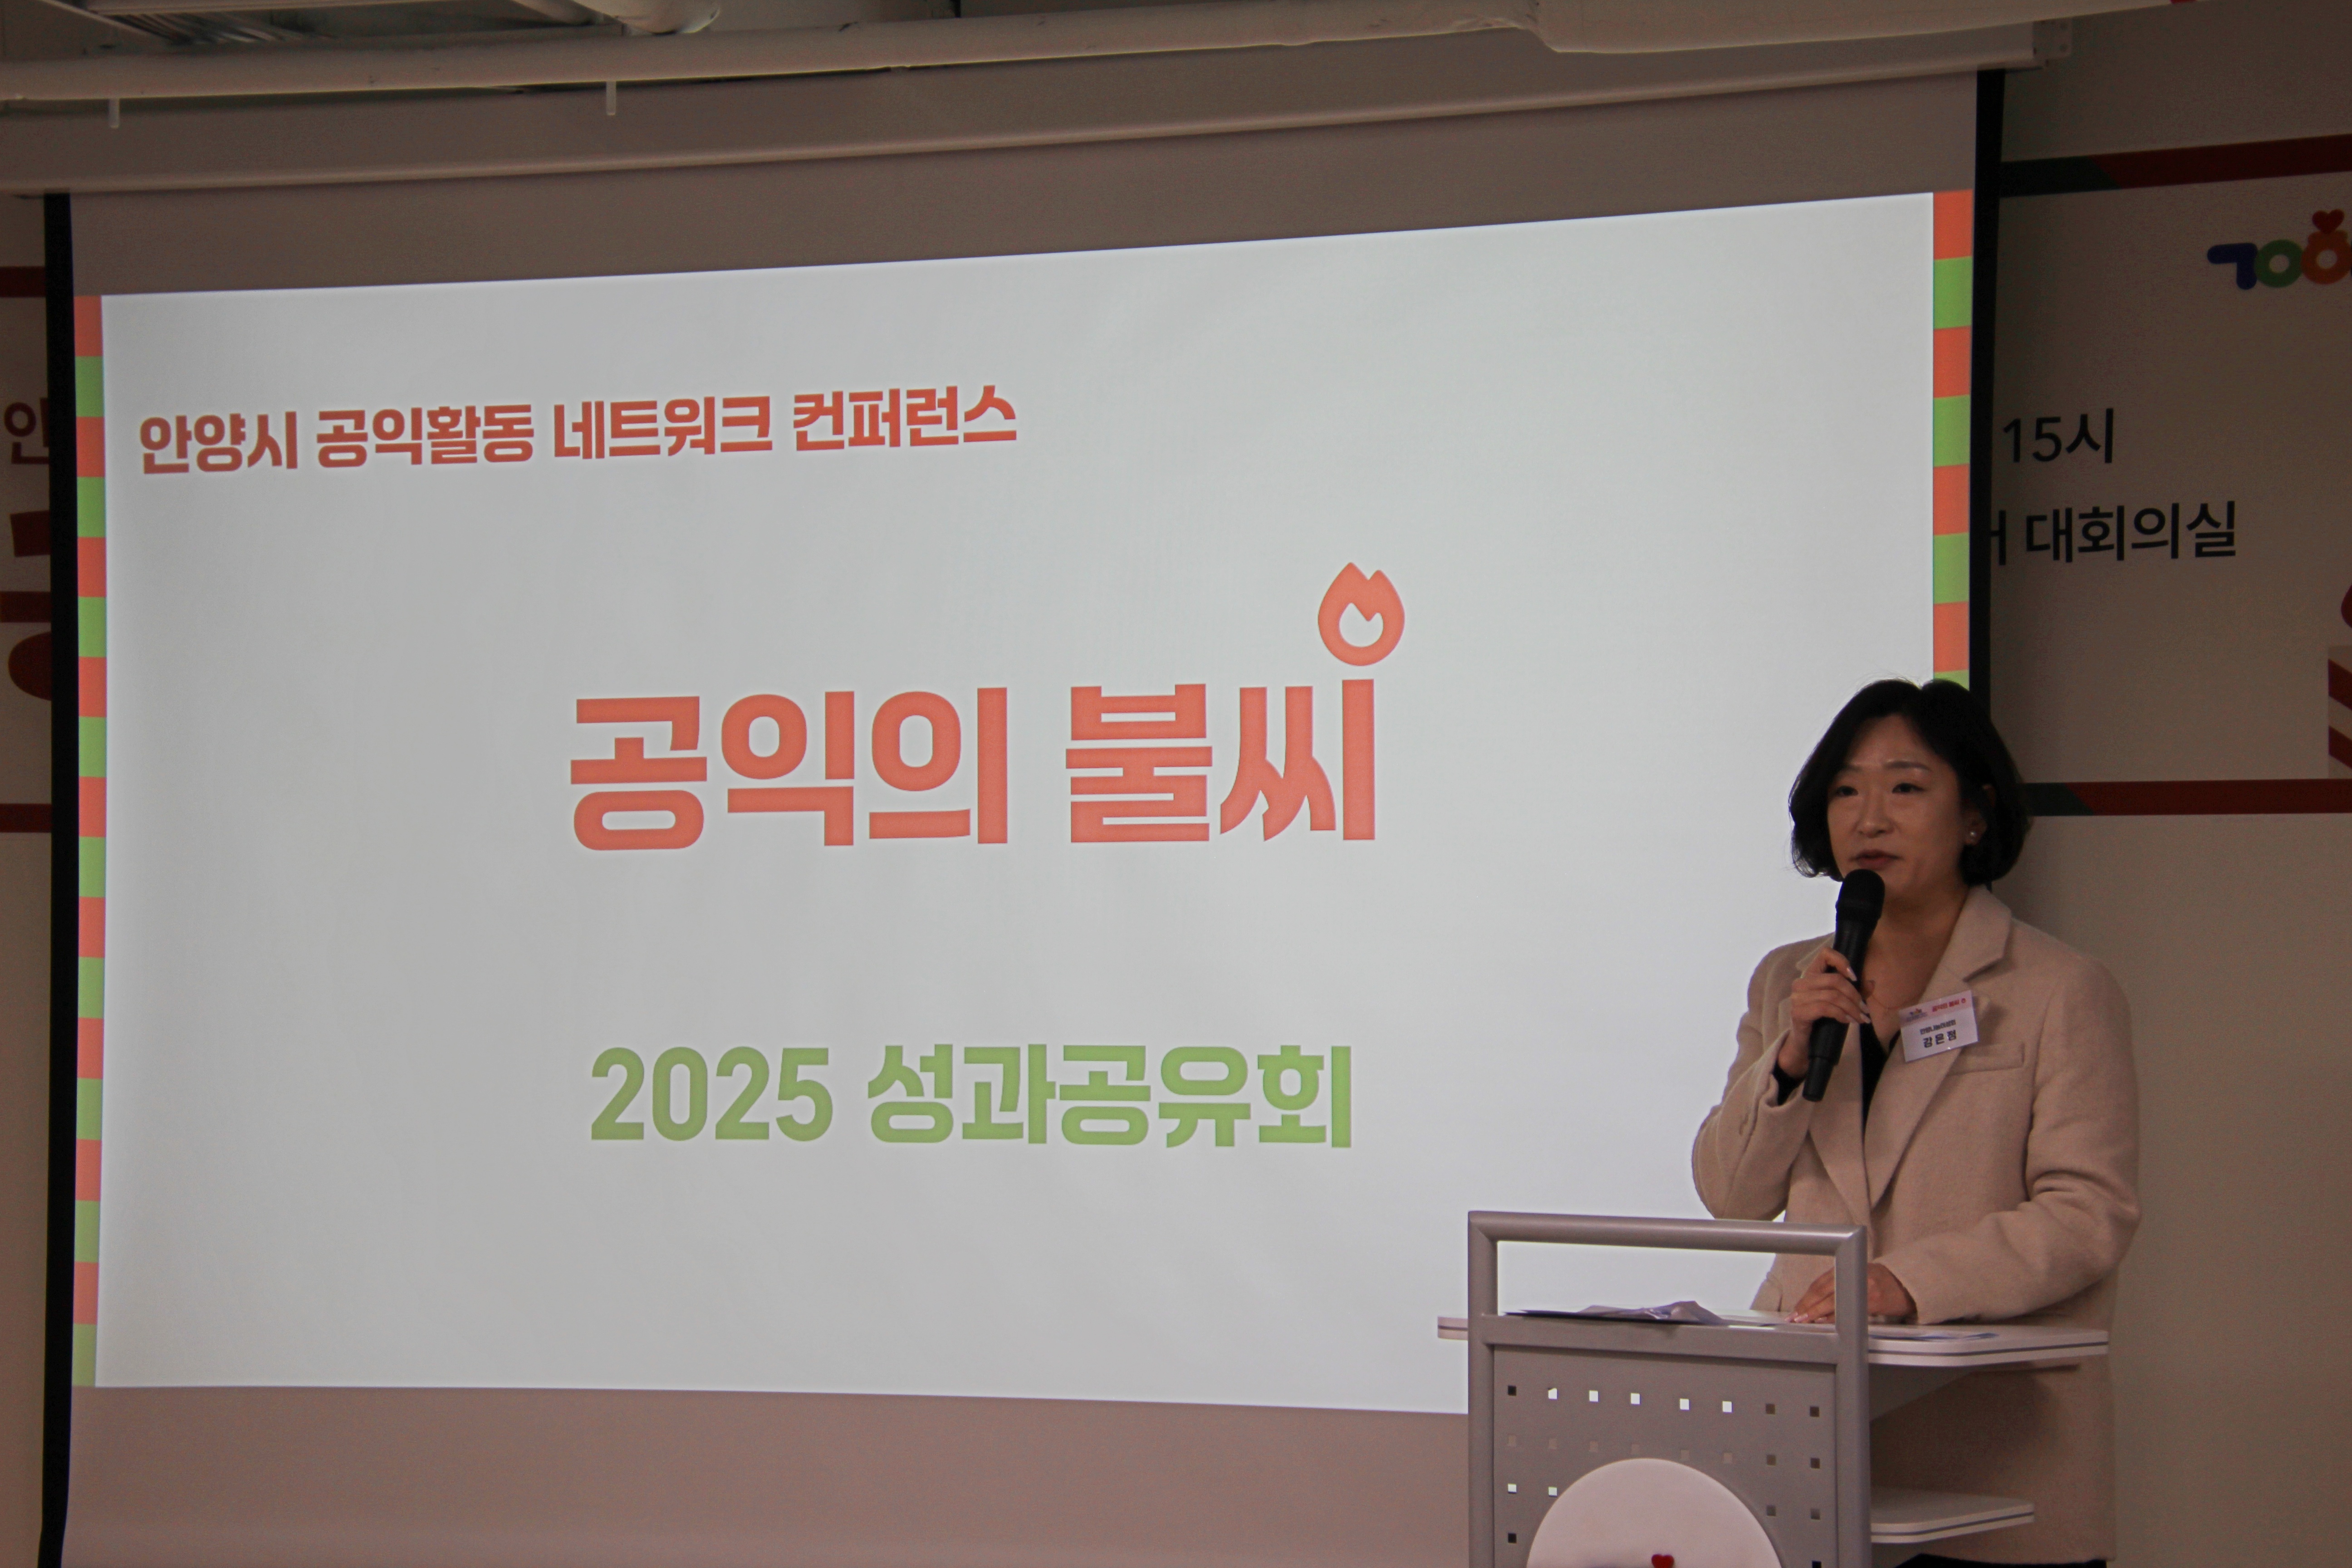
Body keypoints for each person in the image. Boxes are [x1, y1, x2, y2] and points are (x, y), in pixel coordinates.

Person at [1692, 678, 2139, 1568]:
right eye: (1846, 790)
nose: (1870, 817)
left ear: (1975, 814)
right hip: (1812, 1445)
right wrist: (1790, 1056)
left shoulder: (2058, 988)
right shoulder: (1788, 981)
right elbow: (1731, 1195)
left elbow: (2089, 1213)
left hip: (1990, 1451)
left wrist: (1909, 1282)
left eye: (1905, 786)